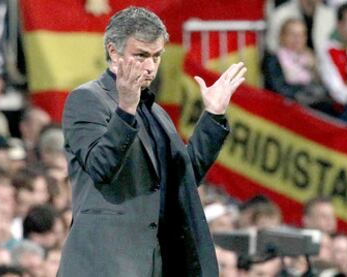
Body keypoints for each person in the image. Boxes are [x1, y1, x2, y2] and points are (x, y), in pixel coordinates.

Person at [58, 6, 246, 277]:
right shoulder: (87, 99)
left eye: (156, 56)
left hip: (159, 262)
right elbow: (101, 167)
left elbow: (183, 178)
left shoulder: (156, 112)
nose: (150, 66)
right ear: (114, 52)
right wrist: (125, 109)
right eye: (141, 55)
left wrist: (213, 116)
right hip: (106, 264)